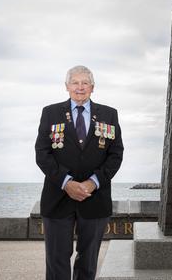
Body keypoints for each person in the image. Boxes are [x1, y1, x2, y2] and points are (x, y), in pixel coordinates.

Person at [35, 65, 124, 280]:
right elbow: (42, 153)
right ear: (67, 86)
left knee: (88, 261)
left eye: (85, 83)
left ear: (93, 87)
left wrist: (93, 183)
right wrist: (67, 182)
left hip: (95, 198)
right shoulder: (51, 112)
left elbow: (116, 154)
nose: (80, 87)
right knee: (57, 259)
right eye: (75, 82)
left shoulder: (109, 114)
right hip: (58, 198)